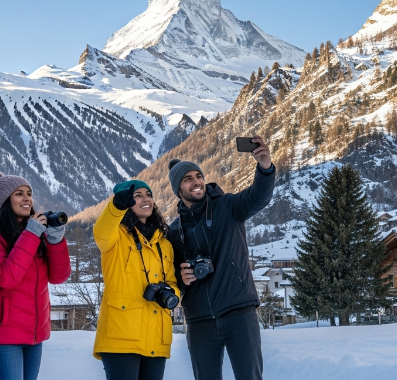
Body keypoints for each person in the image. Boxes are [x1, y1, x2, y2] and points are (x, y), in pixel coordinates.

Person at [167, 135, 275, 380]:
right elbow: (169, 276)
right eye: (188, 179)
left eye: (199, 176)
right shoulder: (173, 231)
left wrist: (265, 167)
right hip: (199, 320)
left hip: (238, 311)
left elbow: (259, 197)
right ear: (178, 189)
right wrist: (181, 277)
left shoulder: (228, 207)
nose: (196, 182)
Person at [0, 171, 71, 380]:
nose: (27, 198)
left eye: (29, 193)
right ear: (5, 200)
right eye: (19, 193)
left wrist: (55, 241)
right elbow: (5, 277)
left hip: (34, 333)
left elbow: (58, 277)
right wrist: (31, 233)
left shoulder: (33, 231)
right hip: (2, 333)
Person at [93, 179, 180, 380]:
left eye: (148, 195)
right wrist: (116, 207)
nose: (145, 199)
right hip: (121, 334)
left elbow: (174, 283)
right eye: (137, 196)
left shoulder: (164, 244)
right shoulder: (116, 236)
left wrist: (171, 295)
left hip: (157, 337)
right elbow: (101, 231)